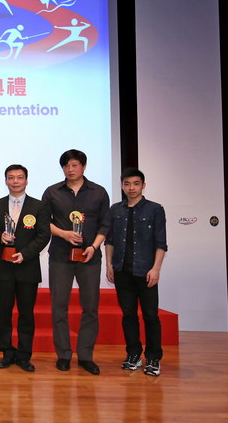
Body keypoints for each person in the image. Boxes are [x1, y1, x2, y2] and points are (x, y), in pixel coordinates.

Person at [42, 149, 111, 374]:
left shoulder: (99, 192)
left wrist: (94, 246)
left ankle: (86, 356)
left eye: (74, 165)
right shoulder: (52, 192)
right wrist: (64, 234)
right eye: (66, 166)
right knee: (58, 307)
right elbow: (44, 222)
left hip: (89, 257)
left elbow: (105, 224)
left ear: (83, 166)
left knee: (90, 307)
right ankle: (63, 355)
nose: (70, 170)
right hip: (61, 256)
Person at [0, 164, 50, 372]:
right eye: (11, 177)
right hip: (3, 267)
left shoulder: (38, 206)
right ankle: (6, 352)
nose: (15, 181)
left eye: (19, 177)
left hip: (27, 267)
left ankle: (24, 355)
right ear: (5, 180)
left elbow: (43, 235)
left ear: (26, 180)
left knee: (26, 313)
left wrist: (26, 254)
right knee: (4, 313)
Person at [105, 168, 167, 376]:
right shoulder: (115, 210)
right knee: (128, 314)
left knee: (151, 315)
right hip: (122, 270)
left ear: (143, 185)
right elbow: (110, 241)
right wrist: (109, 265)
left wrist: (156, 268)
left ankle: (153, 358)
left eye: (136, 184)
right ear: (122, 186)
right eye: (127, 184)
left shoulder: (155, 209)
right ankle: (133, 354)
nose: (131, 188)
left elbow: (161, 243)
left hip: (146, 271)